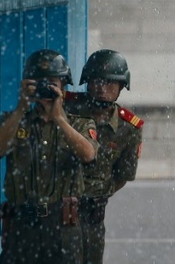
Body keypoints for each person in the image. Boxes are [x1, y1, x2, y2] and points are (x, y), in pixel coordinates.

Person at [0, 49, 99, 264]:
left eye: (51, 83)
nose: (45, 88)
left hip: (63, 226)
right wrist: (21, 108)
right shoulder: (15, 121)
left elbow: (88, 155)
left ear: (63, 86)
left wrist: (59, 119)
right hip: (22, 225)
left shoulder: (79, 123)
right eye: (39, 82)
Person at [63, 49, 143, 264]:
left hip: (93, 214)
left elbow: (123, 174)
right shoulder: (67, 109)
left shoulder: (129, 128)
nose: (101, 88)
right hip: (59, 210)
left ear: (120, 87)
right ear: (87, 82)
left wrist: (99, 193)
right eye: (96, 81)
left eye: (110, 83)